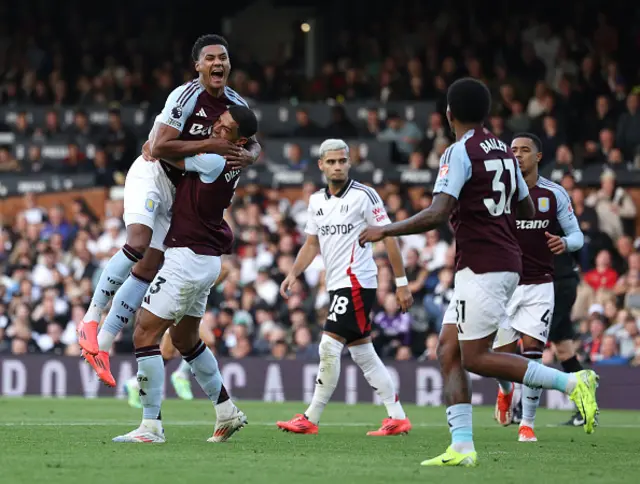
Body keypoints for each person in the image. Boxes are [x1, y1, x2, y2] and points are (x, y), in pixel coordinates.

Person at [359, 78, 599, 467]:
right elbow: (524, 208)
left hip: (485, 264)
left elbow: (437, 212)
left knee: (475, 357)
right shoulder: (504, 151)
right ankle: (463, 446)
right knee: (449, 349)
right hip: (494, 263)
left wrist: (385, 229)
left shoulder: (460, 151)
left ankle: (572, 382)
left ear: (448, 114)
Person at [78, 34, 260, 387]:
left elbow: (251, 138)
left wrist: (251, 154)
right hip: (152, 173)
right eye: (209, 58)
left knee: (148, 266)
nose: (217, 63)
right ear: (198, 66)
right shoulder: (185, 95)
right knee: (138, 242)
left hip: (179, 188)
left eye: (222, 57)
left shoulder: (235, 104)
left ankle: (101, 344)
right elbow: (157, 147)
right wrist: (213, 143)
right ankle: (89, 319)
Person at [113, 105, 259, 444]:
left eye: (225, 129)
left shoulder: (213, 159)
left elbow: (163, 152)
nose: (216, 129)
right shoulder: (230, 158)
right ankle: (227, 411)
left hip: (187, 257)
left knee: (144, 335)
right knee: (184, 340)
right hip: (205, 260)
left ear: (238, 139)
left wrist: (153, 144)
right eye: (218, 121)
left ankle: (151, 427)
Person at [275, 138, 414, 436]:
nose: (338, 166)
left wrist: (402, 283)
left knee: (328, 346)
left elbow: (389, 236)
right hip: (337, 285)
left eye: (342, 161)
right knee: (363, 353)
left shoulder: (365, 196)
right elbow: (312, 243)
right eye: (332, 161)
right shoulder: (316, 202)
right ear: (321, 165)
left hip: (358, 282)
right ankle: (397, 416)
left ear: (349, 162)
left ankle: (311, 417)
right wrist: (293, 273)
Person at [491, 133, 584, 442]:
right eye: (513, 150)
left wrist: (565, 242)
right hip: (505, 285)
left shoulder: (554, 194)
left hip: (541, 284)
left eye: (525, 150)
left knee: (533, 355)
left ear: (538, 156)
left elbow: (577, 236)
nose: (517, 155)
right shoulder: (498, 193)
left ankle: (526, 423)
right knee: (498, 360)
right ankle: (505, 394)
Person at [123, 261, 231, 407]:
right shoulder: (194, 257)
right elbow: (225, 269)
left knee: (167, 353)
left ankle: (135, 383)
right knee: (208, 340)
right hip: (179, 300)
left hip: (178, 299)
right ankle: (181, 374)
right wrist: (204, 287)